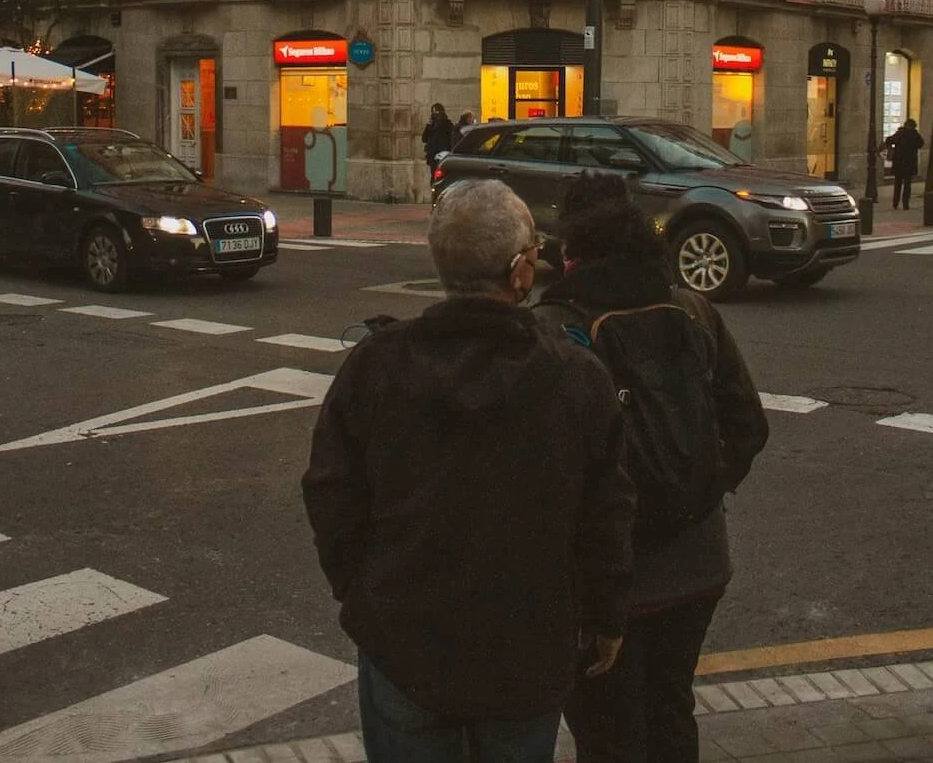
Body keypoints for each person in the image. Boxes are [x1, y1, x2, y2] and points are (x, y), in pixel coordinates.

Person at [302, 179, 636, 763]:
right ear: (520, 272)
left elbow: (331, 490)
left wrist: (361, 590)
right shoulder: (574, 377)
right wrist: (605, 615)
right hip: (526, 644)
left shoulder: (377, 365)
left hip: (404, 640)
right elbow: (605, 512)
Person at [536, 176, 768, 763]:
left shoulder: (555, 324)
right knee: (670, 706)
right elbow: (747, 424)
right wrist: (699, 489)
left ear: (572, 249)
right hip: (698, 562)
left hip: (604, 579)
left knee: (605, 728)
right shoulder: (692, 308)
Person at [889, 116, 924, 210]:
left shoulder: (900, 133)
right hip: (909, 163)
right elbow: (921, 144)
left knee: (898, 184)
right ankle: (905, 204)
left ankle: (895, 203)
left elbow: (890, 140)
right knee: (907, 185)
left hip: (899, 163)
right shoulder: (914, 134)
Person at [420, 101, 453, 171]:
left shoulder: (447, 124)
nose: (435, 114)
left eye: (437, 112)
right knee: (434, 174)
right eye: (433, 112)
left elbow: (452, 139)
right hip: (433, 155)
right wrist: (428, 126)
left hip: (443, 155)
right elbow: (424, 138)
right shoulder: (431, 125)